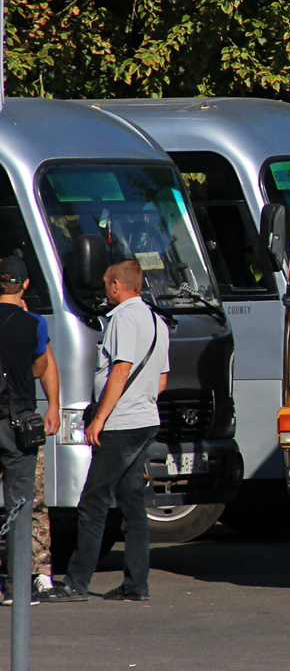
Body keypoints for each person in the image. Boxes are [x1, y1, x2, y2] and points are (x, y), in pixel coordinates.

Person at [39, 260, 168, 603]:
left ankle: (76, 583)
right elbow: (162, 378)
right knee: (132, 503)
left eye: (106, 284)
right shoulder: (156, 319)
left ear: (115, 285)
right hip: (145, 419)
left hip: (121, 424)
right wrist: (142, 401)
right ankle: (136, 584)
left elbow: (120, 370)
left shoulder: (124, 318)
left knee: (93, 502)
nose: (104, 291)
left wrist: (100, 419)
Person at [0, 256, 57, 606]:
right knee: (20, 506)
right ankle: (19, 587)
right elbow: (40, 367)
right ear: (24, 285)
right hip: (19, 422)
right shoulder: (33, 323)